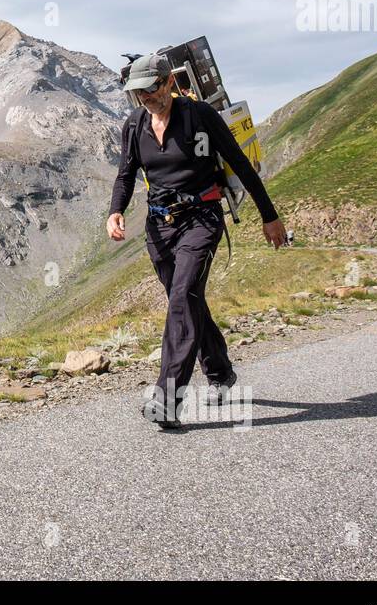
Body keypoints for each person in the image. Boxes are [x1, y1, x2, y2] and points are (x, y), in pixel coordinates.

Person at [108, 52, 287, 430]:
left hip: (201, 219)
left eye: (152, 89)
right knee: (188, 300)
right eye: (139, 93)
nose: (146, 98)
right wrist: (115, 210)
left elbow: (239, 163)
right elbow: (126, 175)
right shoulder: (135, 123)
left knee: (181, 297)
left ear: (168, 82)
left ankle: (167, 399)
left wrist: (269, 216)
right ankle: (220, 372)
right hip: (159, 228)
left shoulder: (199, 116)